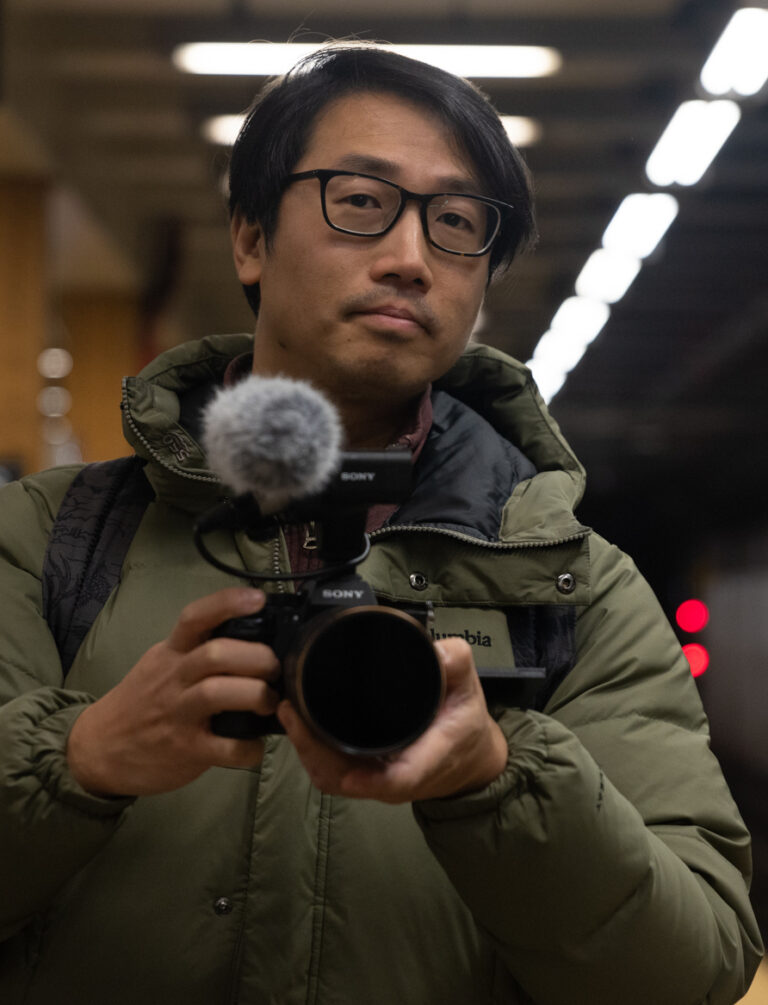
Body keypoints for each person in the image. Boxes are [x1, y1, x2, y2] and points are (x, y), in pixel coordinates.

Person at [0, 44, 762, 1005]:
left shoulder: (575, 586)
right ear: (249, 238)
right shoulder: (46, 542)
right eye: (359, 201)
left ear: (483, 283)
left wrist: (499, 781)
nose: (409, 258)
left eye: (456, 224)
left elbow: (690, 975)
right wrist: (78, 762)